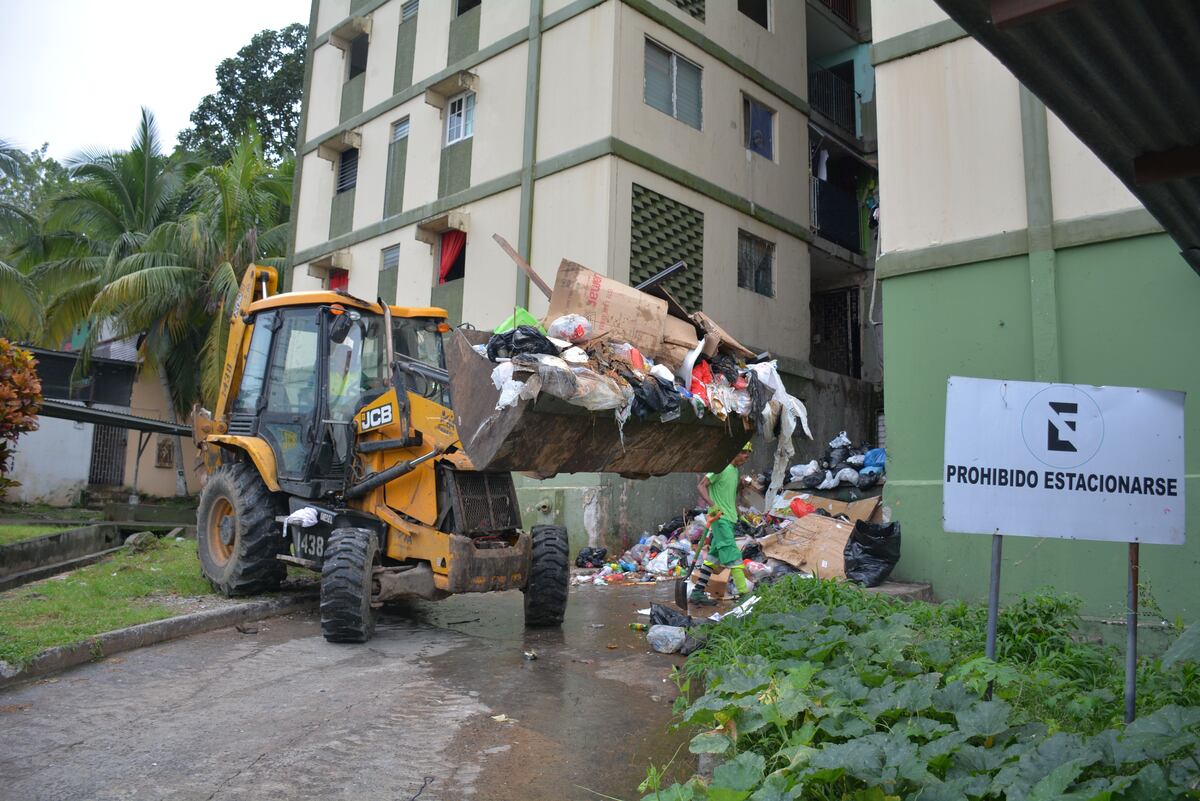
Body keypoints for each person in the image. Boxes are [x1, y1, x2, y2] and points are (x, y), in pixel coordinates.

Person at [690, 442, 753, 605]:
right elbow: (701, 486)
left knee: (713, 557)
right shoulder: (719, 468)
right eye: (743, 452)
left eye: (748, 453)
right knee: (733, 555)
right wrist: (713, 506)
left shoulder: (735, 470)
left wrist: (742, 486)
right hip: (720, 519)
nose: (746, 456)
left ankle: (697, 592)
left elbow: (731, 492)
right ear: (733, 451)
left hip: (729, 518)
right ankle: (744, 594)